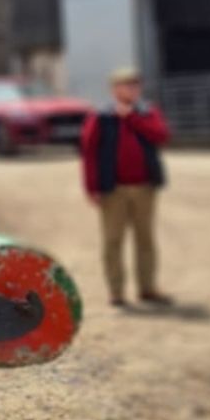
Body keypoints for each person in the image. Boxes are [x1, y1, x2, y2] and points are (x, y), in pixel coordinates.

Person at [79, 67, 171, 308]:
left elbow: (160, 136)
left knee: (145, 239)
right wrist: (91, 188)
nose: (131, 89)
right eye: (125, 85)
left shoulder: (148, 112)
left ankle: (148, 287)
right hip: (113, 189)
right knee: (113, 240)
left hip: (144, 187)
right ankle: (116, 291)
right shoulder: (100, 116)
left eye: (135, 85)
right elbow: (89, 153)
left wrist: (131, 117)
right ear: (114, 89)